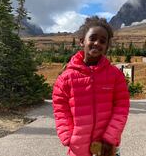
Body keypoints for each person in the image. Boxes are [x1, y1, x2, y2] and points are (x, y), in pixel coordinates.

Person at [52, 16, 130, 156]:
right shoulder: (66, 78)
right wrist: (68, 137)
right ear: (82, 41)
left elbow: (121, 107)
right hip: (78, 147)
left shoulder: (115, 76)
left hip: (107, 147)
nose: (97, 43)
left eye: (102, 41)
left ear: (106, 47)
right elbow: (60, 109)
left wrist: (110, 137)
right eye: (92, 38)